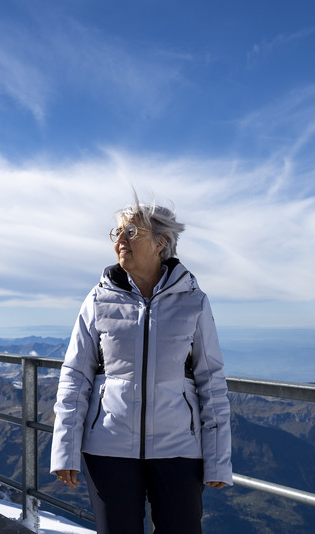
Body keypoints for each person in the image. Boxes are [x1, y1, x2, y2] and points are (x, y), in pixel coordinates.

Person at [50, 200, 232, 534]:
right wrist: (64, 449)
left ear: (162, 242)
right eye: (116, 231)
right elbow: (76, 375)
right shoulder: (97, 299)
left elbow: (211, 381)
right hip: (107, 447)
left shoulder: (193, 301)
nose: (121, 239)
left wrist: (219, 460)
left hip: (178, 449)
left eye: (131, 231)